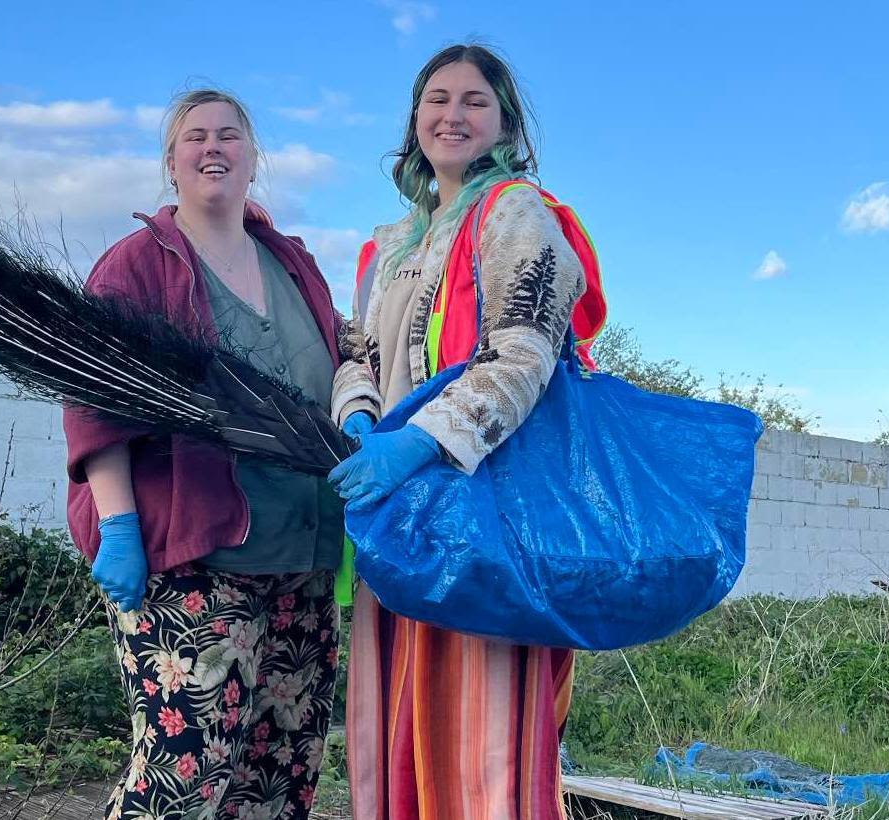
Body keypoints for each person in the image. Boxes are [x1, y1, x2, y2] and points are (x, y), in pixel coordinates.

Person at [62, 89, 347, 820]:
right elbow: (96, 403)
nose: (212, 147)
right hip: (192, 566)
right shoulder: (138, 267)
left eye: (229, 135)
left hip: (303, 563)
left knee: (276, 776)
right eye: (194, 137)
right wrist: (119, 526)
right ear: (171, 161)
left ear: (254, 159)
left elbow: (340, 359)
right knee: (183, 781)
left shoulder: (293, 265)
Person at [329, 44, 588, 820]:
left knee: (482, 745)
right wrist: (364, 418)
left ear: (503, 119)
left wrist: (423, 442)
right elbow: (356, 352)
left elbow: (527, 348)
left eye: (474, 100)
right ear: (415, 120)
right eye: (437, 99)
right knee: (392, 730)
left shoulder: (516, 212)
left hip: (484, 518)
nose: (453, 114)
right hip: (397, 520)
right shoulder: (387, 244)